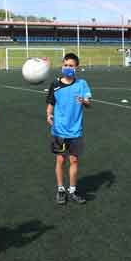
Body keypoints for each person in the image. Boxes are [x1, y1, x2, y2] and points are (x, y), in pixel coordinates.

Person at [46, 53, 92, 205]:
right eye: (65, 65)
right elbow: (51, 103)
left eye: (71, 66)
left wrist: (84, 101)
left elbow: (88, 103)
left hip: (75, 130)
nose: (68, 68)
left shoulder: (82, 84)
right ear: (62, 66)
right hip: (59, 130)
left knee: (74, 160)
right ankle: (60, 189)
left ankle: (72, 190)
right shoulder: (55, 84)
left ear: (76, 67)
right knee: (60, 159)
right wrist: (48, 115)